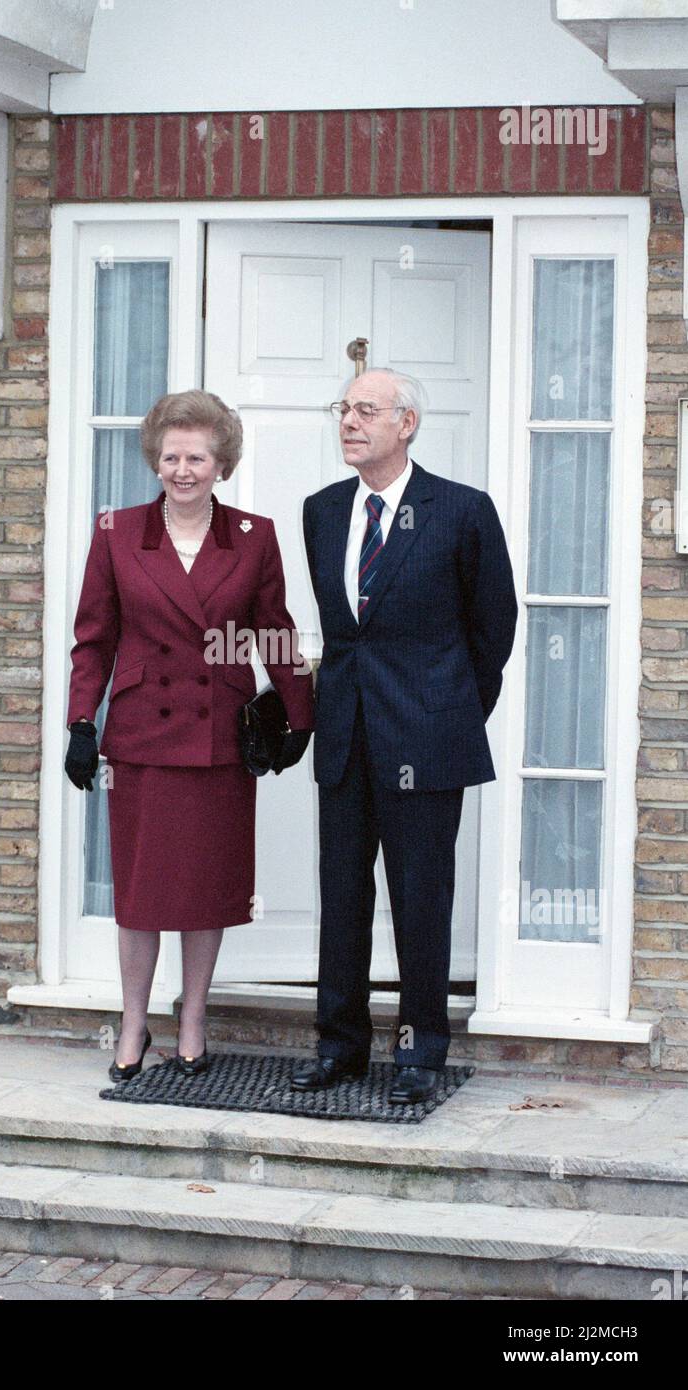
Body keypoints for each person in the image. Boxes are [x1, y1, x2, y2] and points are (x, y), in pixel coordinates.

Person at [64, 389, 314, 1095]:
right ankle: (133, 1024)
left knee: (209, 887)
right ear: (155, 460)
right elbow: (94, 637)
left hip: (219, 740)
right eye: (170, 456)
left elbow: (274, 629)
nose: (182, 469)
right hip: (143, 735)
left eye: (196, 457)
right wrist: (83, 722)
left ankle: (194, 1020)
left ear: (221, 462)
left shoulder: (254, 535)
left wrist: (299, 716)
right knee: (142, 893)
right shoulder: (116, 531)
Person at [294, 368, 517, 1104]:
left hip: (426, 739)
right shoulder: (321, 511)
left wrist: (448, 712)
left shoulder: (459, 511)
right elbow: (342, 632)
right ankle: (340, 1046)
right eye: (344, 409)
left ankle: (420, 1052)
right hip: (345, 736)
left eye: (366, 410)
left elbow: (493, 629)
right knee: (341, 894)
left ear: (407, 422)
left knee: (421, 895)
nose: (349, 421)